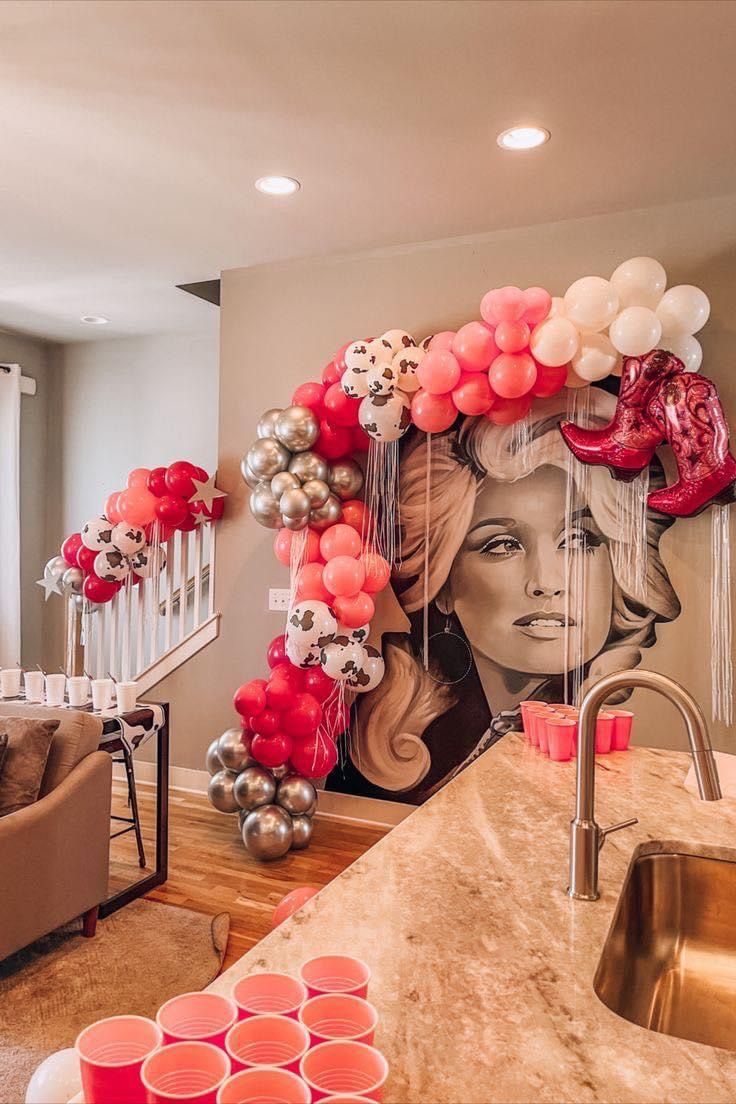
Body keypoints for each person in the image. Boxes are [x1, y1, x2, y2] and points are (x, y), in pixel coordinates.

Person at [330, 389, 681, 804]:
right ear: (442, 584)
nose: (547, 582)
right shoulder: (389, 732)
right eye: (501, 545)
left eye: (579, 539)